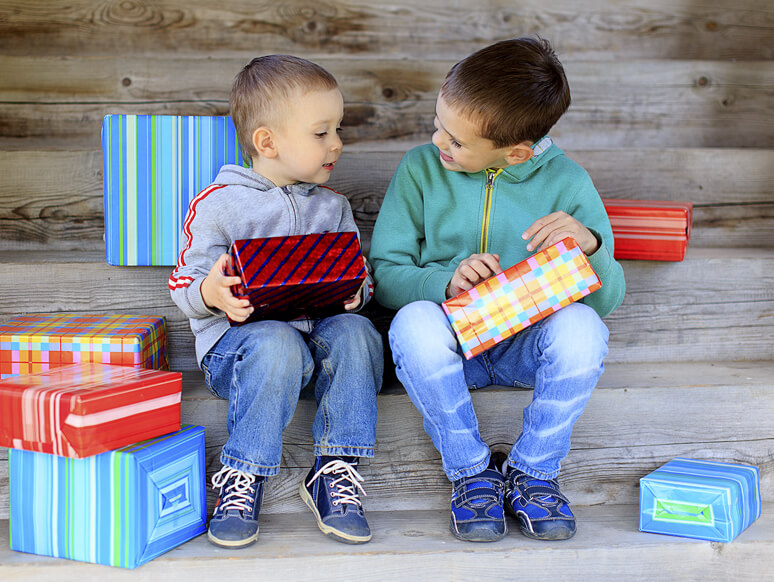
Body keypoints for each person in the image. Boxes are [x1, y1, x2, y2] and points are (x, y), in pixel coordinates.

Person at [369, 37, 625, 543]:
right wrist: (444, 281)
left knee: (583, 327)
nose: (439, 141)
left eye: (457, 141)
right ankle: (471, 472)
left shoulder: (569, 183)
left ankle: (534, 471)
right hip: (451, 346)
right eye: (438, 123)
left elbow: (605, 301)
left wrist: (591, 247)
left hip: (525, 349)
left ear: (516, 153)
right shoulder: (420, 170)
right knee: (412, 322)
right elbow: (386, 274)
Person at [168, 55, 383, 548]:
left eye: (338, 129)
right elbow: (184, 282)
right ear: (267, 143)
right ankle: (243, 474)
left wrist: (358, 292)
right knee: (276, 342)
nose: (337, 143)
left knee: (359, 331)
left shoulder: (333, 207)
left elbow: (359, 274)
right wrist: (210, 293)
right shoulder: (219, 203)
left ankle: (335, 467)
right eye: (321, 132)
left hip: (316, 341)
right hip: (240, 352)